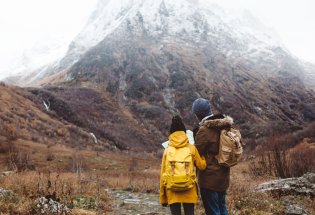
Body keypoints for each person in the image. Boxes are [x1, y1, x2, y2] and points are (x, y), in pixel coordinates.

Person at [192, 98, 234, 215]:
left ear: (198, 114)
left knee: (213, 211)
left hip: (209, 178)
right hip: (223, 176)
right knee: (222, 207)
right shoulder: (225, 126)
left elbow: (196, 153)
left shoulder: (204, 130)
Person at [160, 115, 206, 215]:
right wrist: (203, 157)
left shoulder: (167, 150)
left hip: (172, 190)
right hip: (189, 188)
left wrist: (163, 198)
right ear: (184, 133)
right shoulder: (191, 148)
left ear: (171, 134)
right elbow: (202, 166)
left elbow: (162, 175)